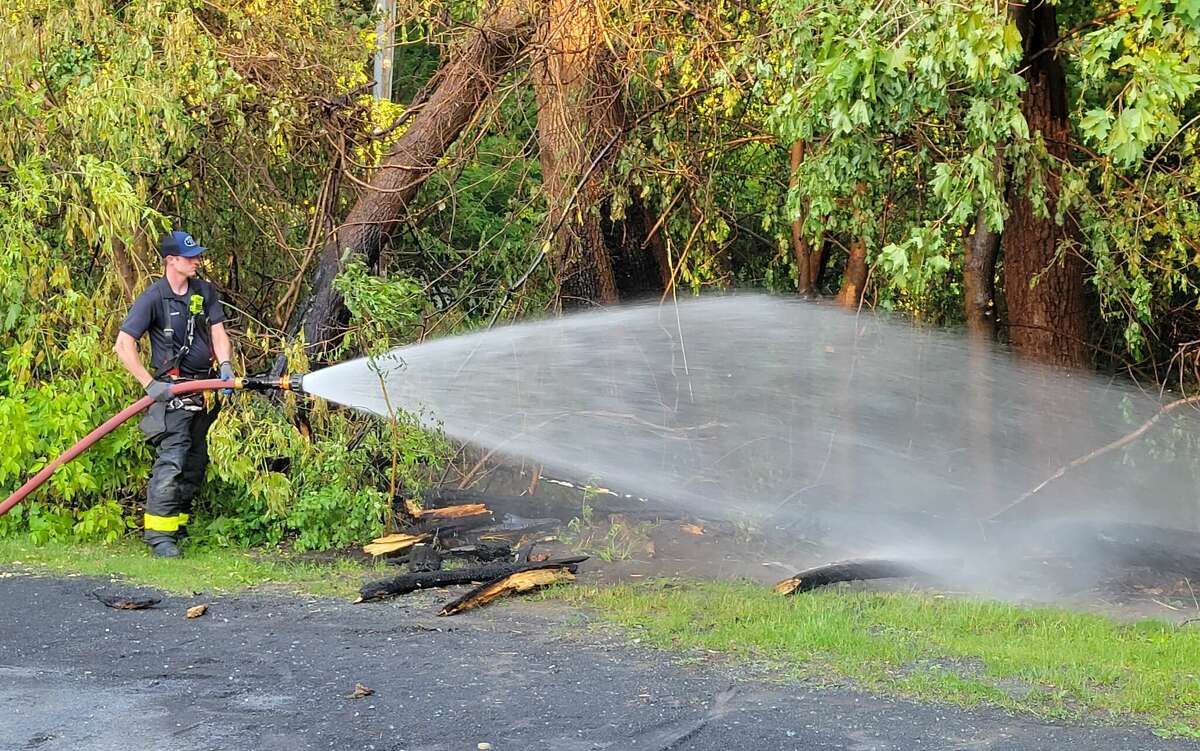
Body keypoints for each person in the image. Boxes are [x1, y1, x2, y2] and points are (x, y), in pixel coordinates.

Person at [114, 230, 235, 558]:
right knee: (173, 462)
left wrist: (224, 365)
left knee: (195, 463)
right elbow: (124, 346)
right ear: (171, 260)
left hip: (203, 392)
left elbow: (218, 332)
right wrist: (149, 385)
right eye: (190, 256)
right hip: (172, 395)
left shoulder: (203, 291)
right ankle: (159, 538)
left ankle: (176, 527)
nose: (197, 261)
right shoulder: (154, 298)